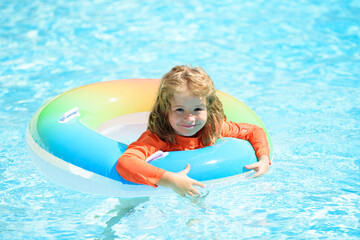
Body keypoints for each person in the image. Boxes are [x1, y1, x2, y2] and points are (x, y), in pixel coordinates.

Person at [116, 65, 270, 197]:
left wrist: (264, 159)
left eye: (197, 109)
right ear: (165, 111)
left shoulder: (212, 129)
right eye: (180, 110)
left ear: (208, 109)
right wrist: (170, 179)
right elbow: (126, 162)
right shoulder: (157, 137)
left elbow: (253, 131)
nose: (189, 119)